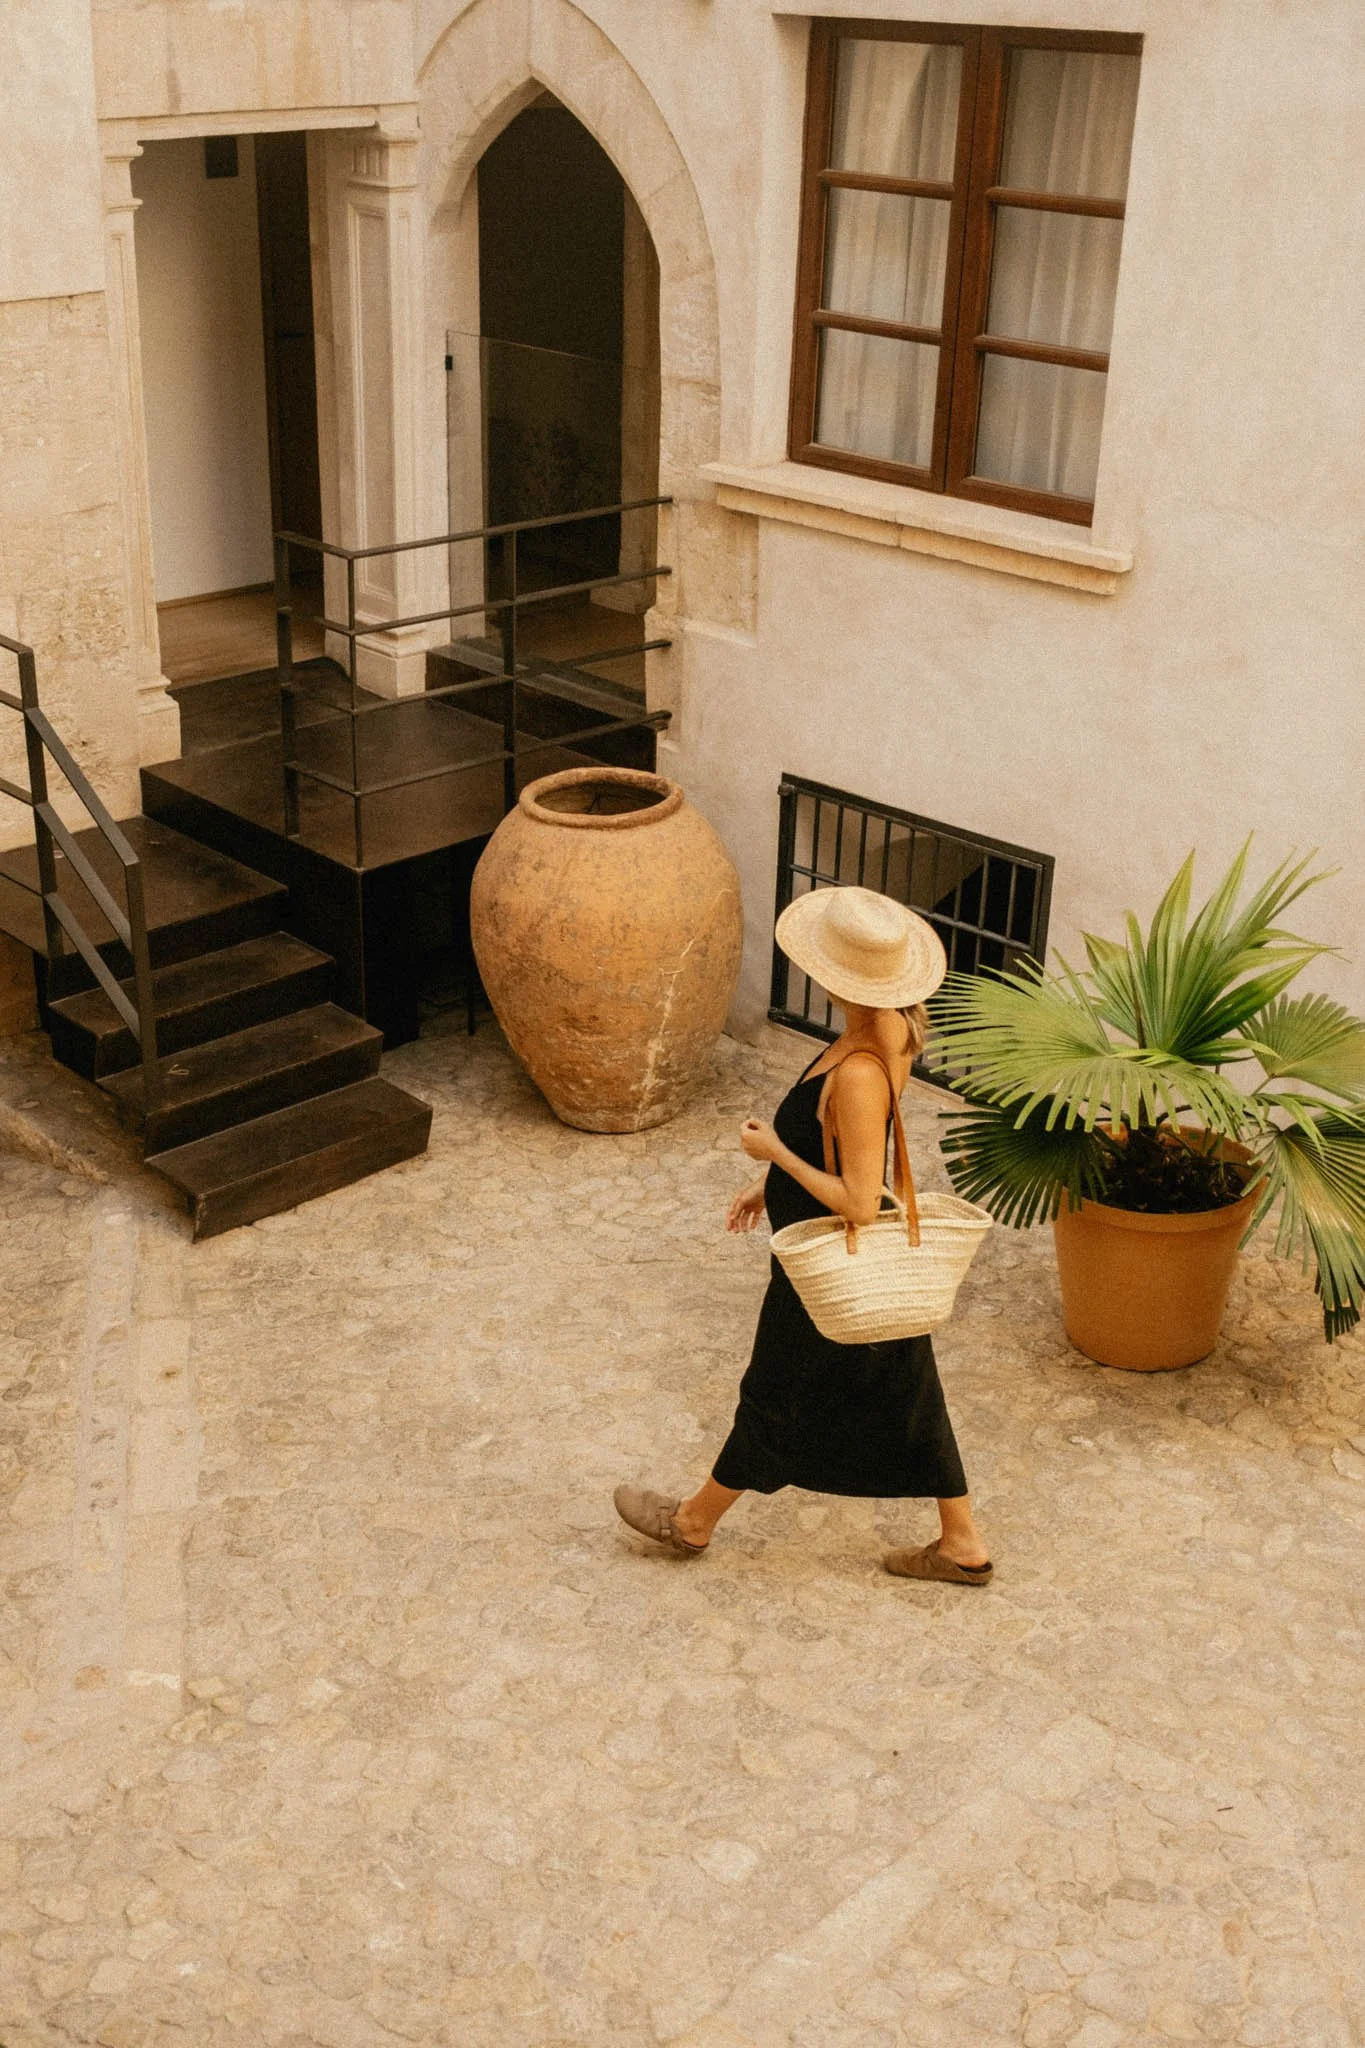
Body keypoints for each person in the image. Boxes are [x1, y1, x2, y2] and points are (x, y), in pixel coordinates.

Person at [614, 885, 991, 1585]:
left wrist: (774, 1158)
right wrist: (771, 1187)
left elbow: (856, 1201)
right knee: (907, 1389)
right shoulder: (890, 1032)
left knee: (775, 1390)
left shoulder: (856, 1071)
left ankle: (693, 1523)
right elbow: (837, 1148)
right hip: (835, 1257)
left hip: (822, 1265)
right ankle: (961, 1542)